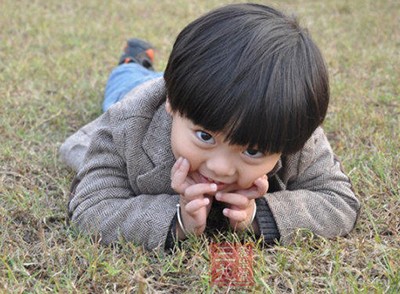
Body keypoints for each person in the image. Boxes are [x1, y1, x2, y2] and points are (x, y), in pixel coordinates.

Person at [60, 3, 361, 251]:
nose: (220, 168)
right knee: (126, 80)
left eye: (252, 151)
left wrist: (259, 215)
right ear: (173, 106)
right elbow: (92, 207)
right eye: (204, 137)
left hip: (196, 98)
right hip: (142, 90)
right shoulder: (129, 124)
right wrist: (178, 219)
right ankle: (132, 59)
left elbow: (339, 201)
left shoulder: (289, 131)